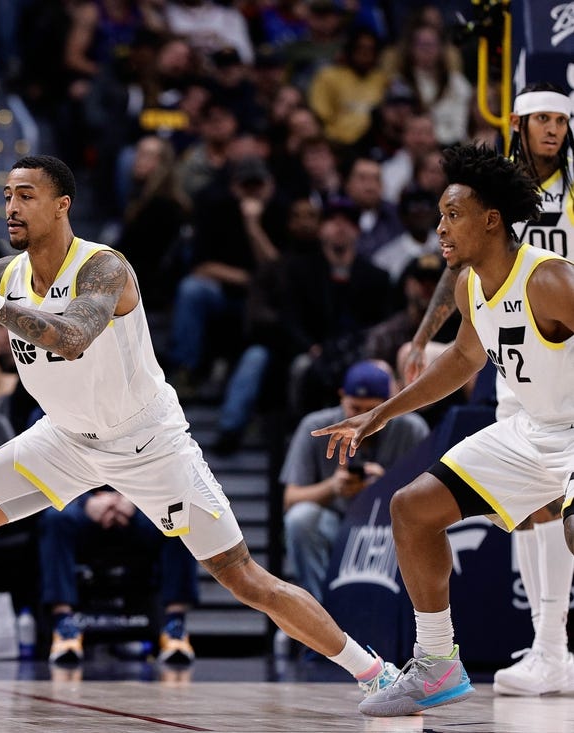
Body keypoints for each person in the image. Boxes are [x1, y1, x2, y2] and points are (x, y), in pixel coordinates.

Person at [0, 154, 399, 710]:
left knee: (245, 580)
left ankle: (376, 672)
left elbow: (71, 338)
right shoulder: (3, 275)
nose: (11, 208)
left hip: (149, 445)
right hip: (64, 438)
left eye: (25, 196)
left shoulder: (104, 267)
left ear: (62, 205)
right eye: (6, 196)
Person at [312, 142, 574, 716]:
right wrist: (379, 413)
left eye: (452, 215)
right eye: (438, 216)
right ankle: (437, 664)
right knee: (412, 508)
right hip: (533, 432)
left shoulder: (551, 280)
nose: (440, 228)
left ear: (491, 219)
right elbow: (461, 361)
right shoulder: (468, 287)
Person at [401, 85, 574, 696]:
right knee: (516, 510)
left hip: (563, 361)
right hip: (525, 380)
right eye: (543, 119)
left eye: (562, 119)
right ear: (519, 124)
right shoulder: (478, 241)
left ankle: (555, 647)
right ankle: (539, 649)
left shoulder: (553, 263)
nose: (553, 129)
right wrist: (418, 350)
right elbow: (464, 335)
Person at [281, 360, 429, 603]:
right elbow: (291, 498)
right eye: (355, 408)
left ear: (389, 405)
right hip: (336, 522)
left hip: (388, 527)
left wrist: (386, 485)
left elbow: (430, 498)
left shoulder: (411, 428)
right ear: (341, 397)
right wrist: (333, 487)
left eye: (371, 411)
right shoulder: (316, 426)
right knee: (301, 519)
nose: (362, 418)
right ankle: (322, 615)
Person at [40, 487, 200, 666]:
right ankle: (64, 626)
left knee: (178, 519)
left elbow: (164, 472)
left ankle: (174, 626)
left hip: (140, 502)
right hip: (83, 502)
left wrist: (135, 500)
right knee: (55, 518)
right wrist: (86, 501)